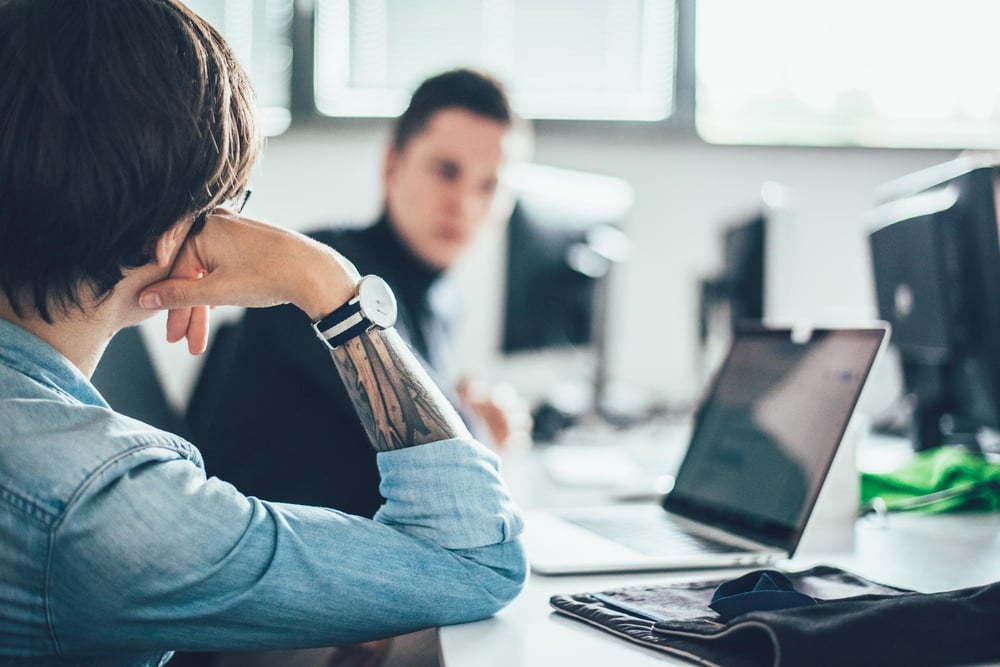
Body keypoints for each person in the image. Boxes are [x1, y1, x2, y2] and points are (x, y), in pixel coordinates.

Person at [0, 2, 526, 666]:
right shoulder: (99, 505)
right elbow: (478, 557)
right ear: (175, 230)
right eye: (222, 205)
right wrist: (326, 281)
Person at [189, 68, 530, 519]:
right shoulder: (327, 277)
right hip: (274, 560)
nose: (465, 204)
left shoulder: (441, 300)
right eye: (446, 172)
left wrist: (465, 407)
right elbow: (451, 457)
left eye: (489, 186)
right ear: (392, 165)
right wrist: (476, 420)